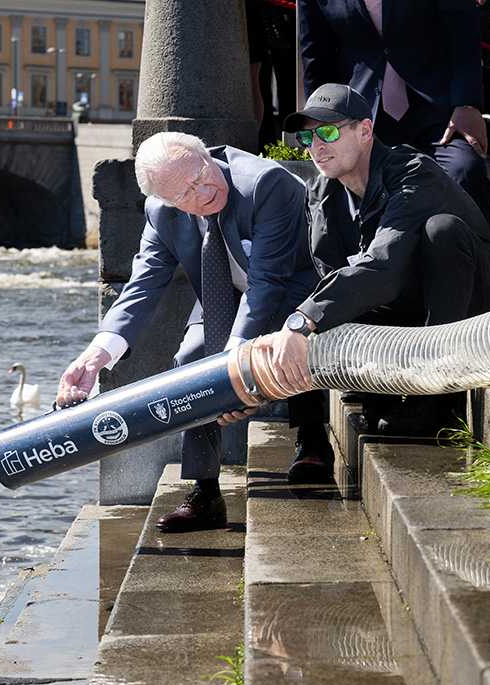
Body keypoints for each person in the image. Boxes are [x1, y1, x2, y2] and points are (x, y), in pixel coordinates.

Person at [56, 131, 331, 533]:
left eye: (202, 174)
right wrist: (97, 355)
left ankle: (312, 438)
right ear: (167, 200)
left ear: (207, 156)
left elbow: (267, 284)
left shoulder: (265, 184)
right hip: (225, 291)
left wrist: (231, 371)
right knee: (190, 361)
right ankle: (205, 492)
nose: (203, 192)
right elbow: (143, 284)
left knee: (286, 334)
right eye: (185, 193)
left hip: (295, 287)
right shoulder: (161, 212)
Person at [253, 84, 490, 435]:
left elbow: (384, 263)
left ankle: (438, 398)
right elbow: (333, 274)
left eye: (327, 132)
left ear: (365, 131)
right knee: (326, 292)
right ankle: (367, 402)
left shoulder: (413, 172)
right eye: (307, 138)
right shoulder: (323, 190)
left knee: (441, 231)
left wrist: (302, 321)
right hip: (424, 304)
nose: (316, 146)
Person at [297, 0, 490, 224]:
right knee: (353, 194)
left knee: (466, 171)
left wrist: (467, 104)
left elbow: (462, 25)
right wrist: (319, 128)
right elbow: (315, 56)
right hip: (363, 116)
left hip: (439, 108)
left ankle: (474, 257)